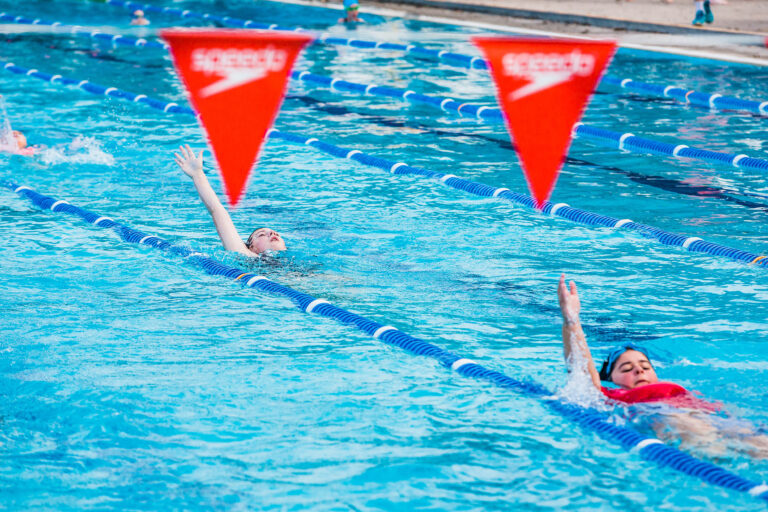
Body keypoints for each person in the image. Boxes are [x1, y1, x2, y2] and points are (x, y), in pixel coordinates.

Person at [557, 274, 768, 458]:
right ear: (611, 379)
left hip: (710, 417)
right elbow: (582, 370)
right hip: (664, 414)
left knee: (761, 443)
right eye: (626, 368)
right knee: (709, 444)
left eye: (645, 366)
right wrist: (572, 320)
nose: (638, 370)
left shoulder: (675, 387)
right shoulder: (609, 396)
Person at [174, 145, 286, 257]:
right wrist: (198, 175)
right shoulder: (246, 255)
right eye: (261, 235)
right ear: (250, 247)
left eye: (276, 233)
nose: (272, 233)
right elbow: (216, 210)